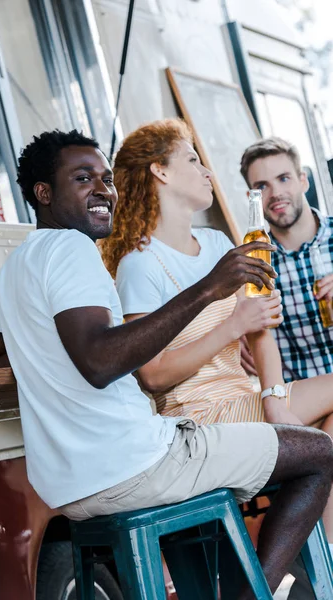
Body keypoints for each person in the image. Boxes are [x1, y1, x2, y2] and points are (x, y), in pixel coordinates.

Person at [0, 129, 333, 599]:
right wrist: (209, 288)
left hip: (70, 486)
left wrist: (35, 337)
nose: (102, 189)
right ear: (43, 194)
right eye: (82, 179)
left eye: (106, 178)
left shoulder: (22, 262)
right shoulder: (71, 249)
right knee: (317, 454)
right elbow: (100, 361)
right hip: (136, 463)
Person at [101, 118, 333, 549]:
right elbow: (151, 377)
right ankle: (313, 559)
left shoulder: (217, 244)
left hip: (244, 399)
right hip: (197, 419)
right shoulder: (139, 265)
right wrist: (231, 326)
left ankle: (320, 558)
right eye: (193, 159)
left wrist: (274, 398)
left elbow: (261, 324)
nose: (208, 172)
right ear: (161, 172)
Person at [240, 137, 333, 382]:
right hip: (302, 405)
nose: (276, 194)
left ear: (303, 180)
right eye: (262, 186)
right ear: (252, 196)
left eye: (284, 178)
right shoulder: (252, 264)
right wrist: (236, 336)